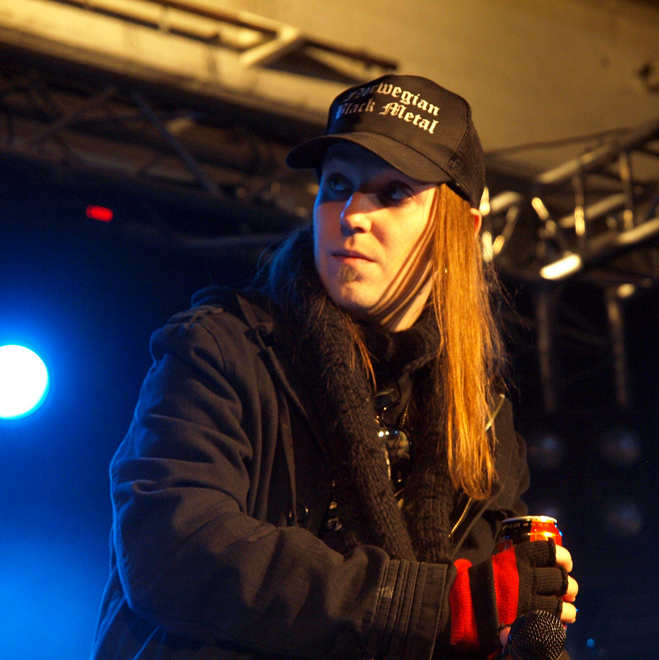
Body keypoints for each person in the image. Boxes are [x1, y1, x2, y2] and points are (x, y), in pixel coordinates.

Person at [92, 74, 577, 659]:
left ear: (463, 229)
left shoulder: (483, 420)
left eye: (393, 193)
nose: (351, 214)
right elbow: (172, 548)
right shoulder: (220, 349)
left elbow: (481, 622)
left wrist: (516, 622)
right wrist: (439, 605)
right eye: (337, 185)